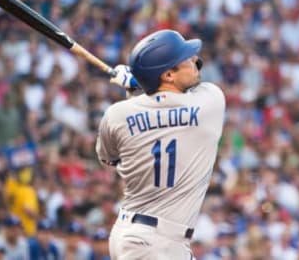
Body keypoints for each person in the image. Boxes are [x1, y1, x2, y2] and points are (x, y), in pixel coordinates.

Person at [96, 29, 226, 259]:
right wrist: (138, 88)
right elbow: (190, 90)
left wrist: (138, 92)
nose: (195, 60)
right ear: (167, 75)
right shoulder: (211, 102)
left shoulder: (116, 114)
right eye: (186, 58)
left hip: (134, 235)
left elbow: (109, 158)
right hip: (158, 244)